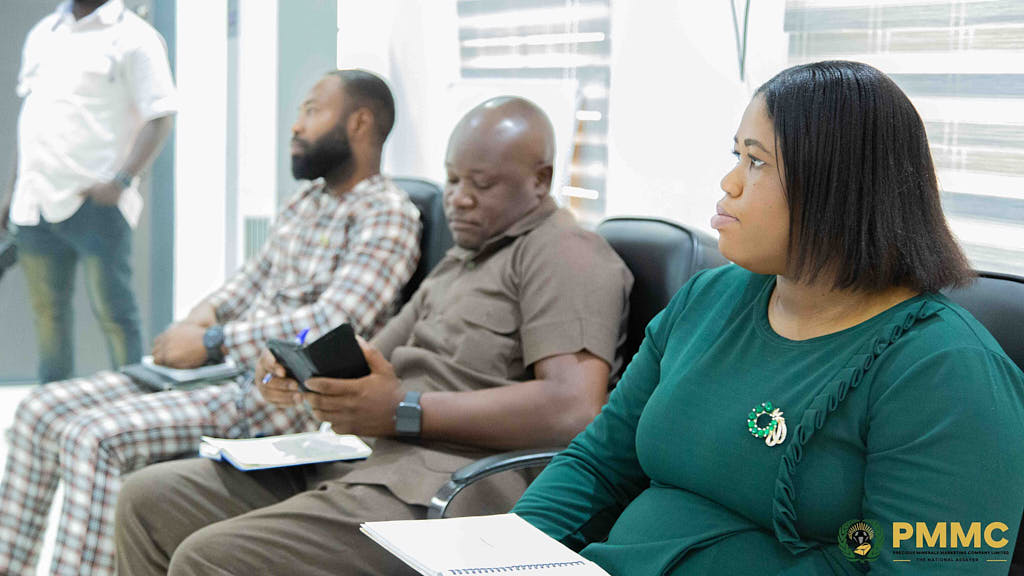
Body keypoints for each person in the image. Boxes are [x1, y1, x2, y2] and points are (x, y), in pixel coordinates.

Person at [510, 61, 1024, 574]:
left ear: (840, 187)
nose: (729, 182)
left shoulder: (947, 372)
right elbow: (597, 466)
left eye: (756, 161)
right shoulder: (706, 300)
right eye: (737, 155)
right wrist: (501, 556)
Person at [114, 96, 634, 576]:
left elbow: (573, 408)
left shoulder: (564, 252)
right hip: (367, 460)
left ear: (541, 179)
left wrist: (404, 410)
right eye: (453, 180)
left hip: (446, 488)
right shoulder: (463, 260)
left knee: (211, 558)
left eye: (481, 184)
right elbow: (372, 357)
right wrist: (302, 372)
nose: (459, 200)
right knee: (147, 500)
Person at [0, 69, 421, 576]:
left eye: (312, 111)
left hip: (281, 398)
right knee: (38, 411)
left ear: (359, 123)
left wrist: (214, 342)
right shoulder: (305, 203)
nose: (296, 125)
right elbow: (247, 284)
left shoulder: (388, 213)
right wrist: (197, 322)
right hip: (224, 375)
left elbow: (333, 321)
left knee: (92, 437)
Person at [1, 0, 176, 383]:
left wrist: (122, 180)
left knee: (116, 315)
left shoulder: (135, 37)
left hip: (95, 205)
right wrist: (12, 191)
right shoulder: (44, 33)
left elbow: (161, 115)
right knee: (48, 317)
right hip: (35, 203)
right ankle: (53, 405)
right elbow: (32, 119)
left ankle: (131, 406)